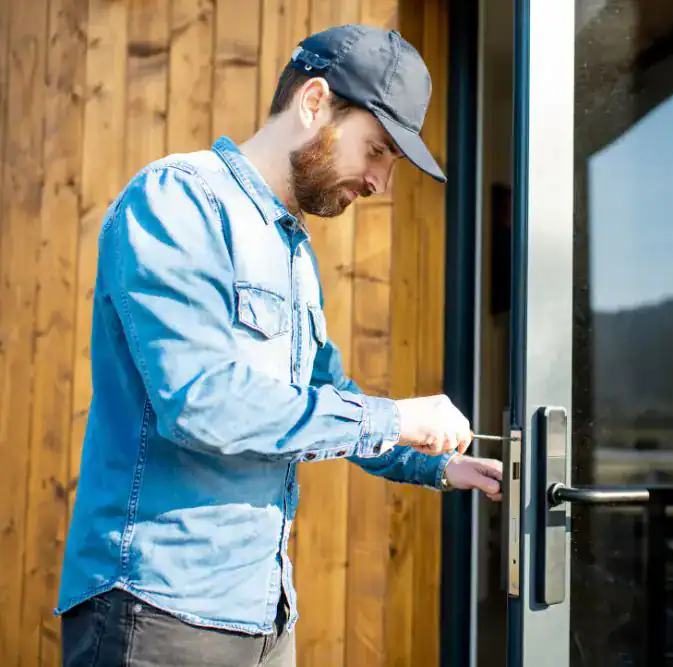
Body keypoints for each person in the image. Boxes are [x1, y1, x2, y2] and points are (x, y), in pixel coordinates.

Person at [57, 24, 502, 667]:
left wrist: (432, 462)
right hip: (156, 615)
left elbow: (326, 402)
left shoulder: (293, 250)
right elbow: (203, 402)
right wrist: (398, 417)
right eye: (376, 150)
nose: (381, 181)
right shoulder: (179, 199)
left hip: (265, 614)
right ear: (314, 103)